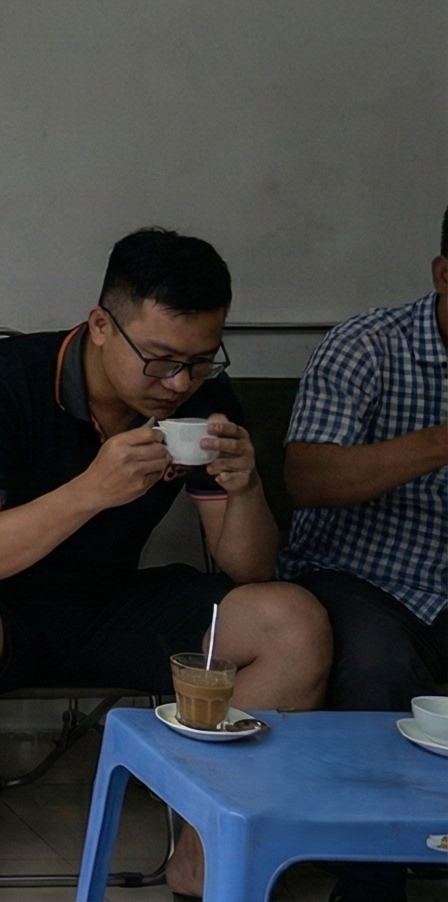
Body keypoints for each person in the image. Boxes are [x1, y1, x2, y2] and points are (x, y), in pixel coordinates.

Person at [0, 228, 329, 902]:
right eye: (159, 359)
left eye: (200, 360)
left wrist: (245, 490)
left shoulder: (201, 401)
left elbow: (251, 569)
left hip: (106, 603)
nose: (178, 382)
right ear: (101, 325)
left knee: (292, 622)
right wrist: (90, 492)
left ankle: (201, 857)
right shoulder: (3, 378)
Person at [278, 213, 448, 902]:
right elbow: (308, 477)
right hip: (356, 575)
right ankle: (369, 882)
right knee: (379, 664)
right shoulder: (368, 345)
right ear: (444, 275)